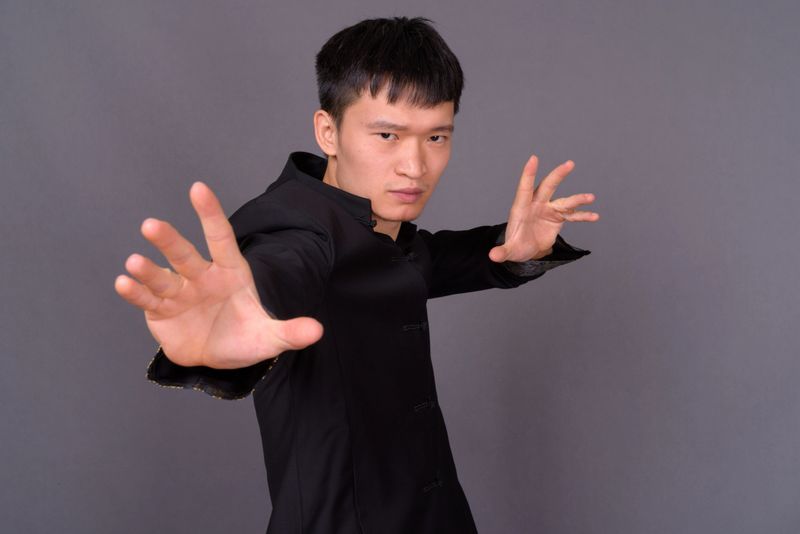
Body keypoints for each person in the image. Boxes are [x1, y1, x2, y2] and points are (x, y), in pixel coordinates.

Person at [114, 16, 598, 534]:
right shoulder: (294, 227)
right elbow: (280, 270)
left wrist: (515, 247)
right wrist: (240, 316)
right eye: (387, 135)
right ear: (329, 131)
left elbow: (427, 259)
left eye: (436, 136)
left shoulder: (375, 223)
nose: (415, 165)